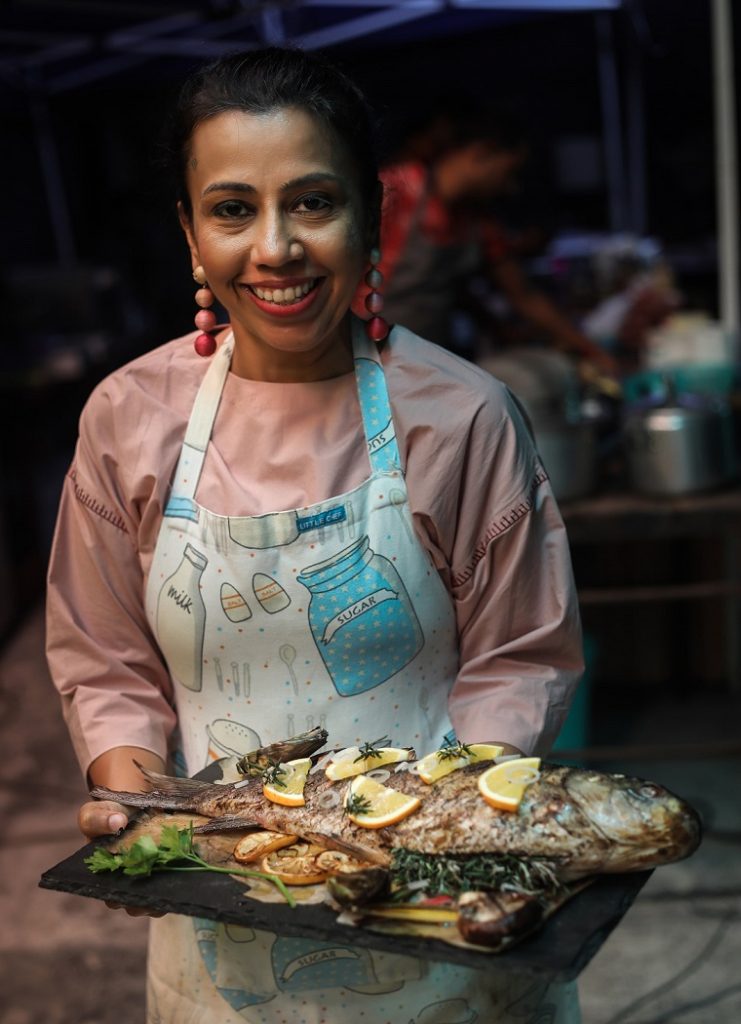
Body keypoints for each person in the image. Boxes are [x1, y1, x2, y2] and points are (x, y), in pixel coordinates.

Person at [46, 48, 584, 1024]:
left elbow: (520, 658)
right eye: (232, 209)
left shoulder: (460, 416)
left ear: (370, 216)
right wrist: (138, 807)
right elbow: (105, 658)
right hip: (220, 930)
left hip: (437, 923)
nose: (276, 247)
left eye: (311, 202)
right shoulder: (129, 419)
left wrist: (432, 834)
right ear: (189, 232)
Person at [374, 104, 618, 375]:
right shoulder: (395, 190)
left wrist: (588, 350)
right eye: (508, 172)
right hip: (365, 354)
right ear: (482, 153)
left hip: (422, 359)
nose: (510, 187)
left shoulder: (478, 223)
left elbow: (523, 295)